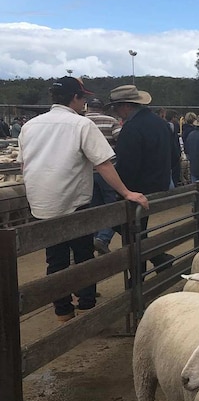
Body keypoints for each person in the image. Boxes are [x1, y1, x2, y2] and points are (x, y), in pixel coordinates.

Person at [19, 77, 148, 322]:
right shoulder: (81, 124)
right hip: (73, 201)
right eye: (83, 98)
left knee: (55, 258)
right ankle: (86, 305)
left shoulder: (30, 126)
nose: (85, 102)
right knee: (83, 255)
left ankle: (62, 309)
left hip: (41, 203)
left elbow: (24, 164)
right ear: (75, 98)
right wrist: (126, 192)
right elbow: (103, 163)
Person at [107, 83, 176, 274]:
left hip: (136, 189)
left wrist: (121, 191)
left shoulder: (131, 129)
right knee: (135, 232)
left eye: (116, 107)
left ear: (126, 106)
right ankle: (159, 259)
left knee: (130, 233)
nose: (116, 111)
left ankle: (139, 278)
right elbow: (175, 154)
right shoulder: (161, 124)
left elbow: (127, 165)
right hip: (158, 184)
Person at [85, 98, 123, 255]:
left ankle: (94, 241)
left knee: (95, 209)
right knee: (113, 207)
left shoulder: (80, 121)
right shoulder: (110, 121)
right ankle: (103, 238)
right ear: (101, 108)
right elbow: (121, 141)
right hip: (108, 171)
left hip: (87, 173)